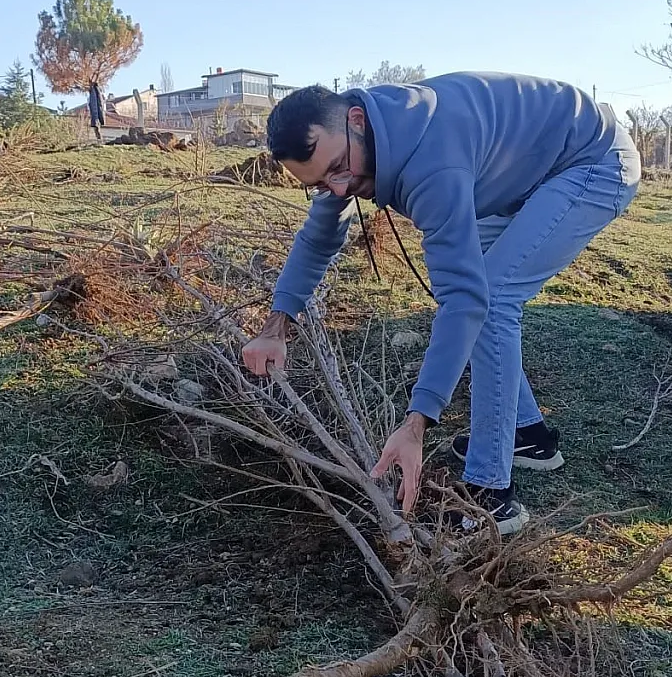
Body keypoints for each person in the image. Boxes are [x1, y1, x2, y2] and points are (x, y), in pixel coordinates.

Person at [242, 74, 641, 535]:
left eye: (338, 169)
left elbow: (465, 298)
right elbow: (319, 236)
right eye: (319, 183)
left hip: (592, 161)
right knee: (483, 297)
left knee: (489, 300)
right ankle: (527, 437)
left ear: (355, 120)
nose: (339, 188)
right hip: (521, 174)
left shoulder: (432, 162)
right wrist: (276, 326)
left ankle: (492, 496)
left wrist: (417, 424)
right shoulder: (354, 148)